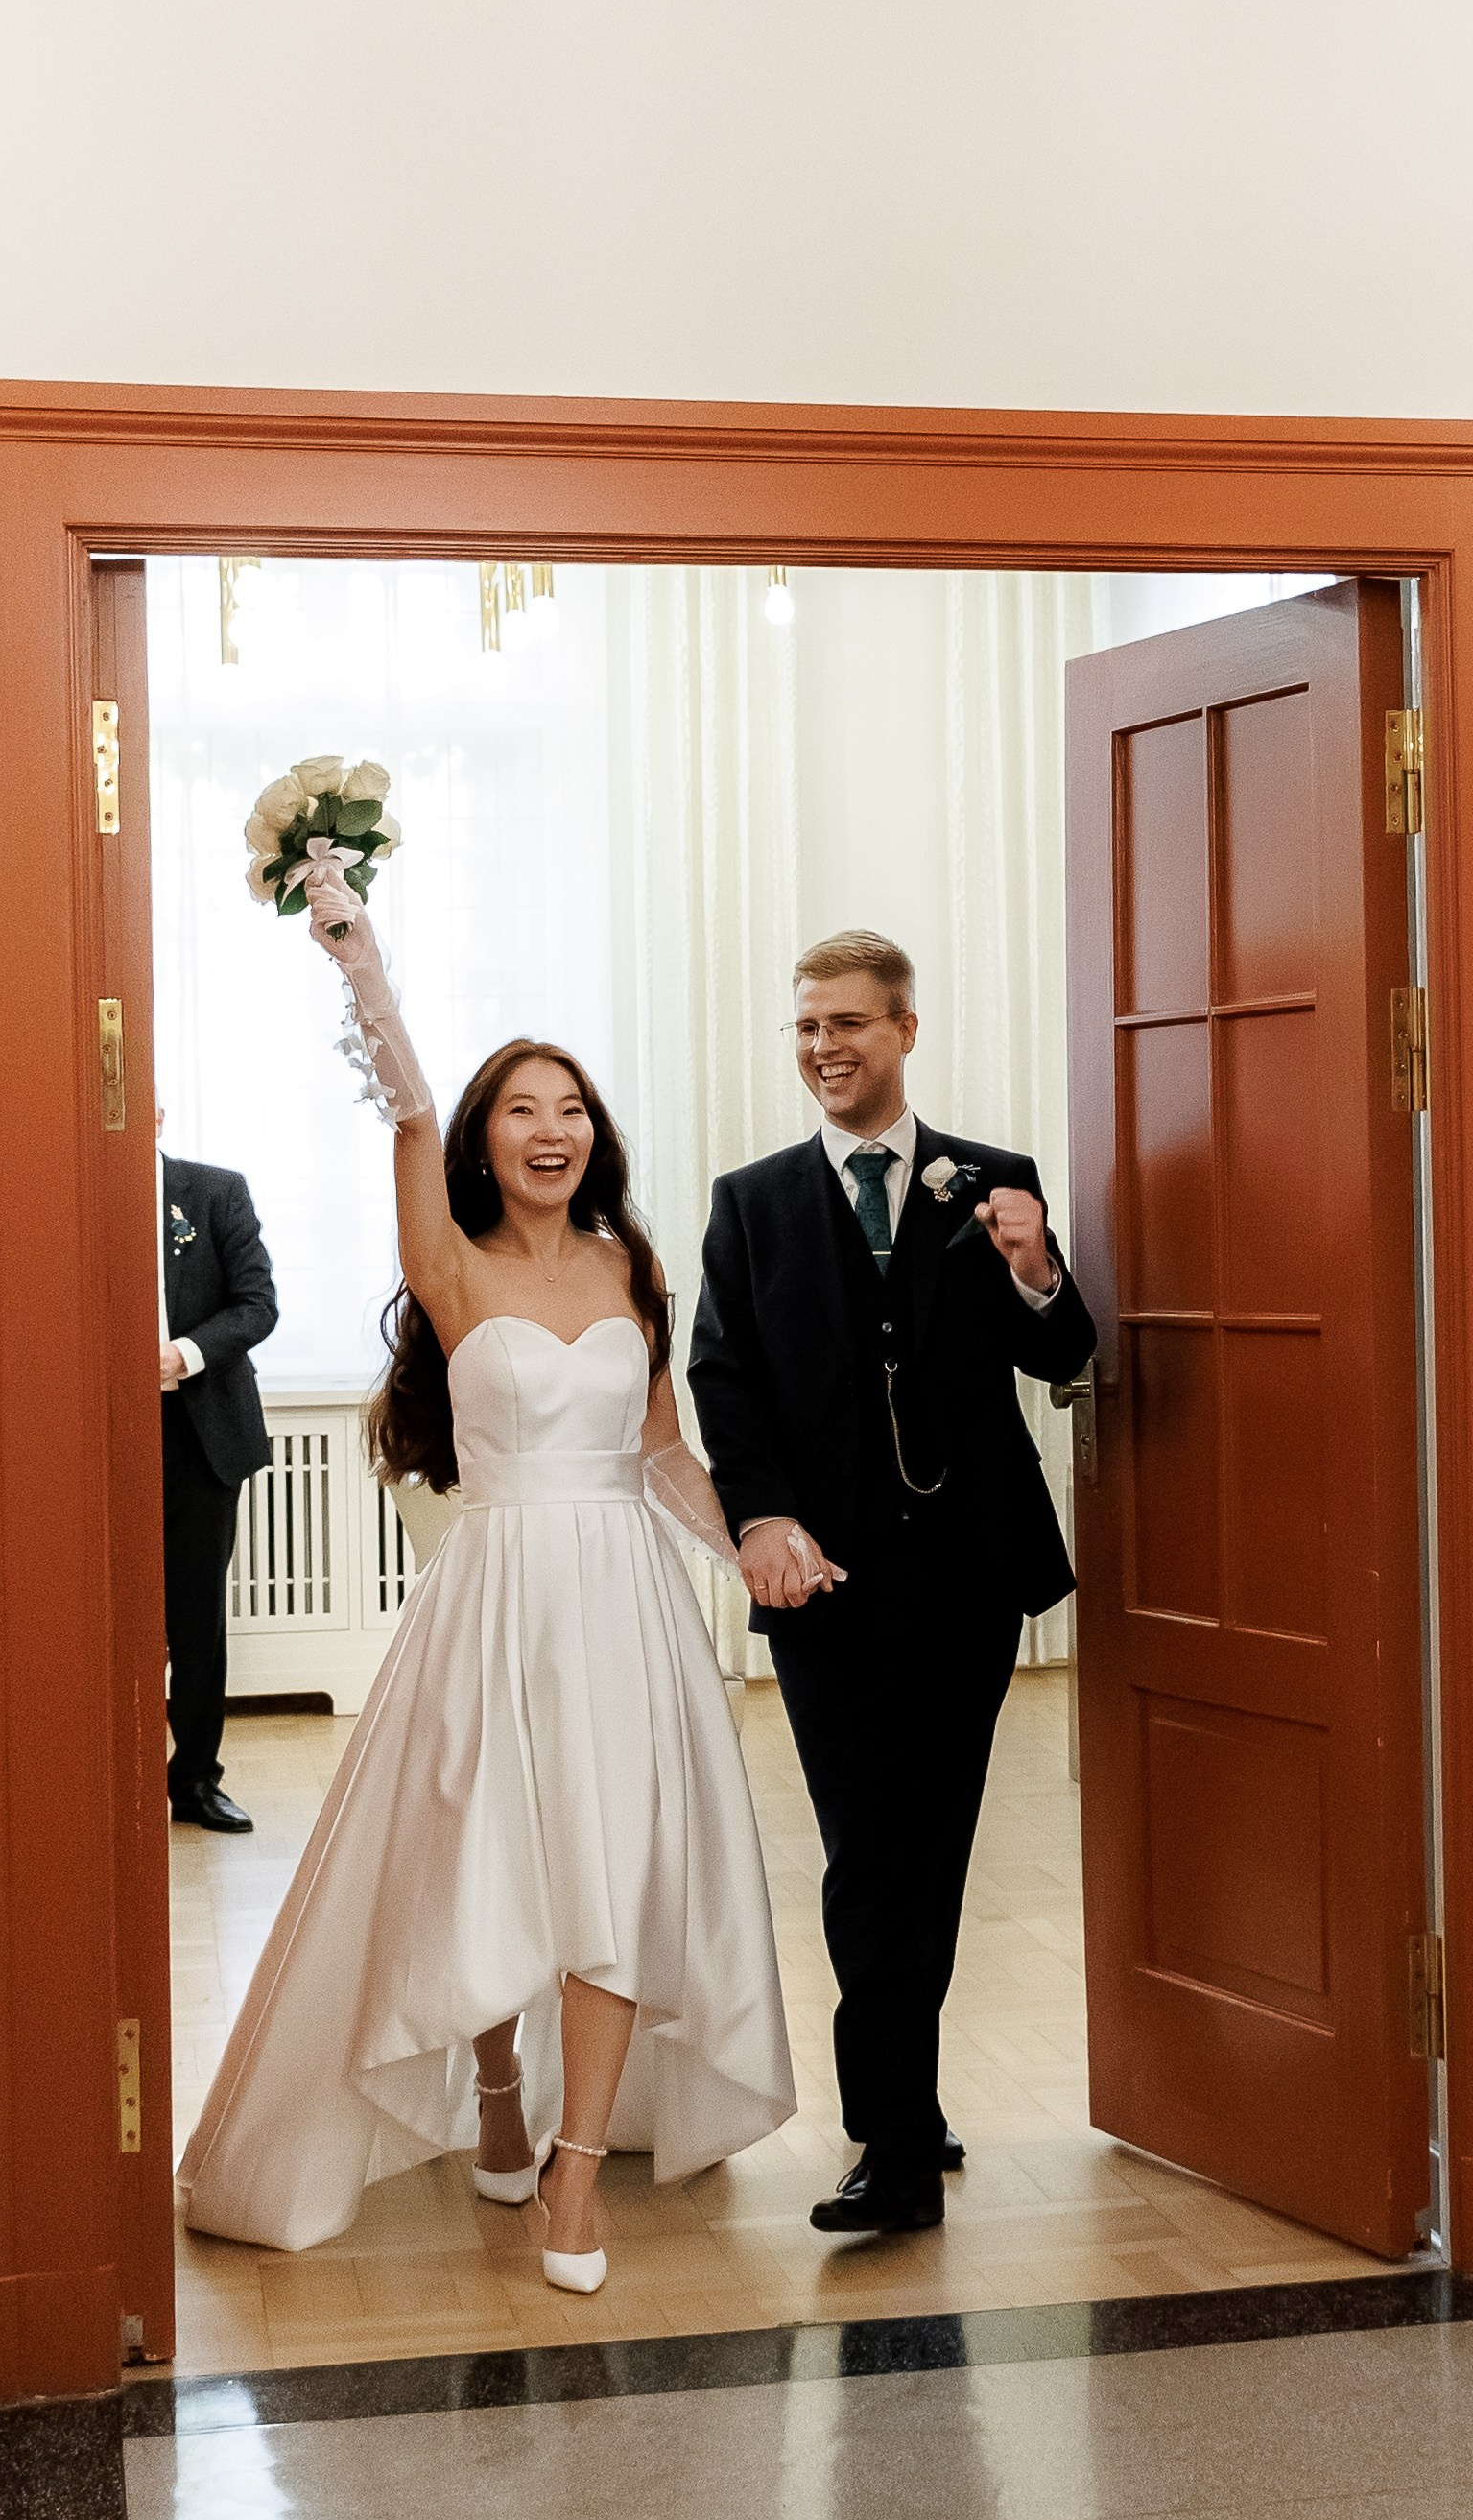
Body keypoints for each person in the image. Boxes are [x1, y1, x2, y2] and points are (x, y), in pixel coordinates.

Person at [178, 872, 794, 2292]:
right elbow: (402, 1111)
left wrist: (751, 1543)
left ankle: (573, 2175)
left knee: (614, 1870)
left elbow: (661, 1457)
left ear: (597, 1136)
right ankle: (500, 2096)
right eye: (523, 1108)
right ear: (485, 1137)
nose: (553, 1130)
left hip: (625, 1604)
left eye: (571, 1108)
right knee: (490, 1867)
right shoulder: (448, 1264)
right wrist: (363, 965)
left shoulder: (630, 1262)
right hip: (497, 1598)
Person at [688, 926, 1096, 2236]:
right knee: (869, 1849)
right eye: (807, 1026)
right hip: (827, 1589)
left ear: (903, 1030)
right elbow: (721, 1378)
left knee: (933, 1845)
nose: (824, 1048)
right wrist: (762, 1518)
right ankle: (891, 2139)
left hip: (969, 1577)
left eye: (849, 1025)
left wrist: (1034, 1268)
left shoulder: (993, 1182)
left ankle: (906, 2105)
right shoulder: (749, 1203)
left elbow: (1066, 1349)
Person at [158, 1108, 278, 1833]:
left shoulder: (213, 1192)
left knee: (196, 1614)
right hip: (102, 1432)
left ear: (158, 1112)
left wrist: (182, 1355)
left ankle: (195, 1779)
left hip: (200, 1431)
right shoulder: (75, 1195)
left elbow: (258, 1305)